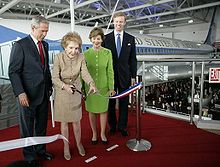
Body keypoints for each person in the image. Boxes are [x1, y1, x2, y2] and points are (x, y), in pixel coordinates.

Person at [8, 16, 53, 167]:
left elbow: (45, 69)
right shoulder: (20, 45)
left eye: (46, 31)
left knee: (41, 125)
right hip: (26, 95)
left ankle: (40, 150)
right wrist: (20, 92)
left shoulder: (44, 45)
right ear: (33, 28)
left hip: (43, 94)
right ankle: (29, 156)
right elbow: (13, 72)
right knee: (27, 127)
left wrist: (50, 86)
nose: (45, 34)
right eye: (42, 31)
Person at [52, 32, 96, 160]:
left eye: (76, 48)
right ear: (65, 47)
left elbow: (85, 73)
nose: (74, 51)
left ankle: (79, 143)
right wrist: (65, 86)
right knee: (64, 123)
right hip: (62, 92)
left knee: (77, 122)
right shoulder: (58, 57)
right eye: (71, 48)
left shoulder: (81, 57)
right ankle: (66, 146)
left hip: (76, 91)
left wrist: (91, 84)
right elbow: (54, 78)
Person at [103, 12, 137, 137]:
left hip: (125, 76)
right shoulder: (106, 39)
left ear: (125, 23)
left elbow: (133, 59)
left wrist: (133, 76)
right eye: (117, 21)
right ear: (113, 22)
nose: (119, 24)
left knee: (124, 102)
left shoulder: (130, 39)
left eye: (121, 21)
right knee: (110, 103)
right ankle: (112, 126)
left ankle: (122, 126)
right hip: (110, 77)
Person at [84, 27, 115, 145]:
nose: (96, 41)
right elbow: (84, 72)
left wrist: (111, 87)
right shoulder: (85, 54)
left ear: (102, 39)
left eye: (98, 38)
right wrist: (83, 88)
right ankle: (94, 133)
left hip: (104, 87)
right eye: (93, 38)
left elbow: (110, 71)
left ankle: (102, 133)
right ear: (91, 40)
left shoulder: (108, 53)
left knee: (103, 111)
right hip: (89, 88)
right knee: (91, 111)